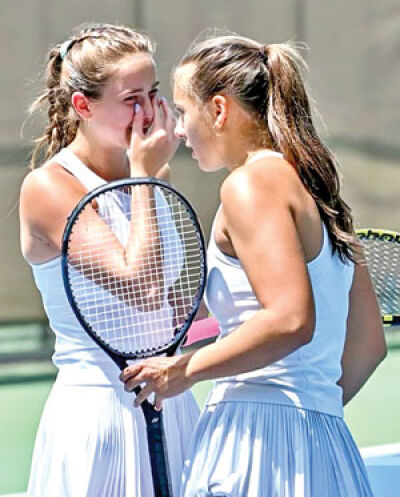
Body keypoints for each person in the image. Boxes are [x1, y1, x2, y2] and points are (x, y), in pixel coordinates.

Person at [120, 34, 387, 497]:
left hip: (255, 441)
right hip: (324, 442)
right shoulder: (321, 192)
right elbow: (369, 344)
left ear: (219, 110)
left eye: (183, 112)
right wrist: (306, 409)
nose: (179, 130)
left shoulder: (248, 186)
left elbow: (288, 319)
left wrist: (182, 370)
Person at [19, 23, 200, 497]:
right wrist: (145, 173)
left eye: (154, 93)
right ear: (84, 106)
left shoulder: (150, 177)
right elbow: (141, 288)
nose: (148, 113)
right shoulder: (49, 187)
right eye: (131, 98)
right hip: (98, 416)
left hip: (172, 401)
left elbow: (174, 305)